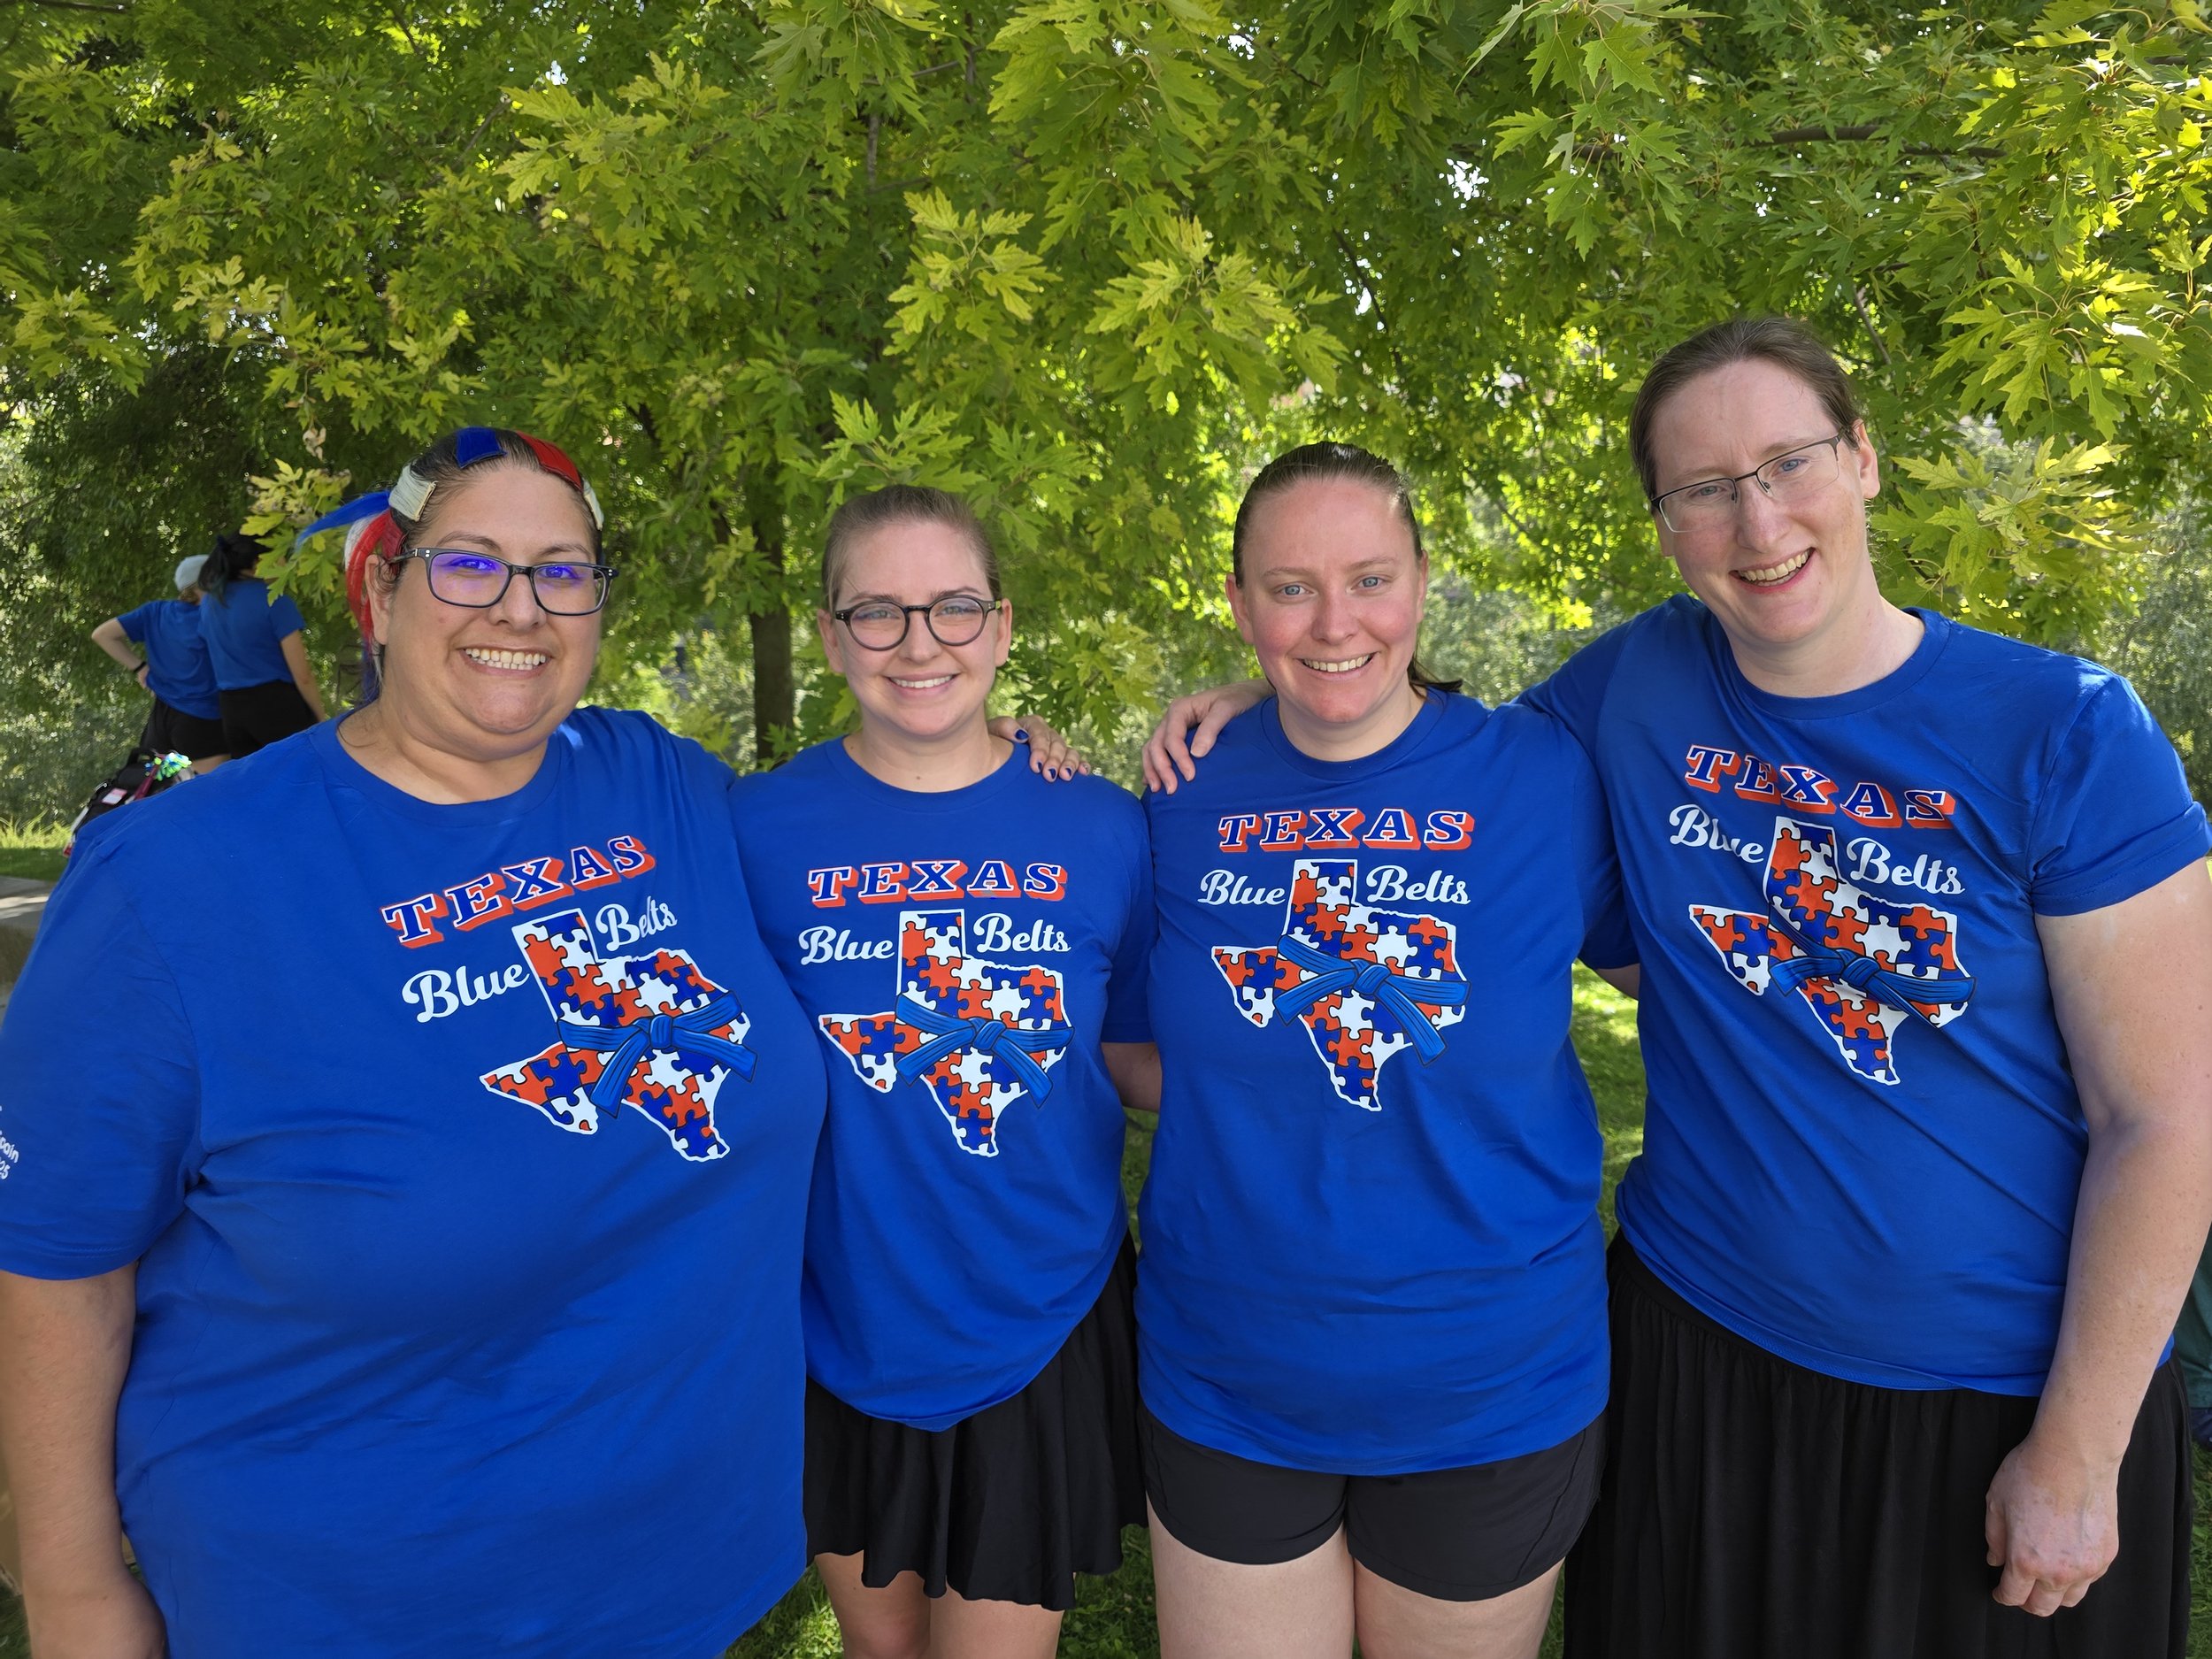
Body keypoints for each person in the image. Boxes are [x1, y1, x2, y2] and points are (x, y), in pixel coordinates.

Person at [1146, 321, 2212, 1659]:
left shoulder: (2066, 728)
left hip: (1985, 1386)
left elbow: (2169, 1118)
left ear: (1866, 458)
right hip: (1700, 1353)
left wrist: (2078, 1443)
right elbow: (1407, 737)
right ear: (1665, 523)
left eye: (1789, 461)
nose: (1756, 516)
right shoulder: (1638, 686)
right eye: (1705, 486)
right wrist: (1272, 684)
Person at [0, 426, 830, 1658]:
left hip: (682, 1567)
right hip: (352, 1601)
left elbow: (880, 847)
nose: (522, 605)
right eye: (468, 564)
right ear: (378, 592)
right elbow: (59, 1262)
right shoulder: (176, 879)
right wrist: (71, 1589)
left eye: (563, 571)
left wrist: (1012, 738)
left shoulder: (661, 782)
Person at [1136, 442, 1627, 1659]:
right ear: (1241, 603)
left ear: (1421, 582)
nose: (1333, 618)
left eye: (1369, 577)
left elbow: (1677, 998)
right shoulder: (1178, 789)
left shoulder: (1545, 774)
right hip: (1229, 1369)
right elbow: (1122, 1044)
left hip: (1492, 1378)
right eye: (1290, 587)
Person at [730, 485, 1156, 1659]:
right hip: (836, 1312)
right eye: (877, 611)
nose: (919, 643)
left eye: (954, 607)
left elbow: (1135, 1055)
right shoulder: (752, 829)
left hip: (1039, 1307)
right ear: (827, 633)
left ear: (1004, 625)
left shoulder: (1105, 827)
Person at [88, 552, 229, 770]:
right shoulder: (213, 618)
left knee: (159, 797)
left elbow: (102, 635)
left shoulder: (155, 612)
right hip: (202, 722)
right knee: (223, 795)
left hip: (160, 722)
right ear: (207, 581)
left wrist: (139, 667)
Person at [196, 527, 327, 756]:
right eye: (280, 554)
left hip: (231, 711)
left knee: (259, 785)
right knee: (304, 779)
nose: (285, 560)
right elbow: (303, 675)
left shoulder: (211, 603)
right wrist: (320, 718)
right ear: (260, 561)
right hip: (275, 708)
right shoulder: (274, 599)